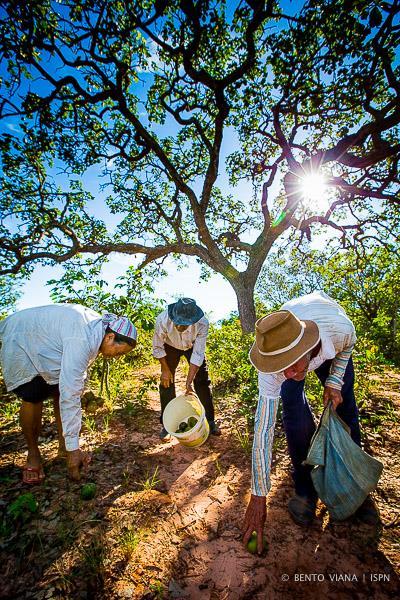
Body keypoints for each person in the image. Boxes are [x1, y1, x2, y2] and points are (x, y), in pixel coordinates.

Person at [242, 291, 380, 553]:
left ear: (307, 348)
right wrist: (258, 494)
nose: (286, 373)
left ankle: (355, 488)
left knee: (345, 410)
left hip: (329, 342)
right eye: (280, 366)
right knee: (294, 413)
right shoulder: (273, 368)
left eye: (292, 365)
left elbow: (350, 341)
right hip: (301, 337)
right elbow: (263, 430)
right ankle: (305, 489)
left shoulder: (338, 331)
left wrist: (334, 380)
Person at [0, 304, 137, 483]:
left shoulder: (97, 331)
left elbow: (74, 377)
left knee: (59, 391)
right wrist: (75, 451)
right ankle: (33, 454)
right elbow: (70, 395)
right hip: (21, 340)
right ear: (110, 337)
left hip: (45, 344)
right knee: (33, 395)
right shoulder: (82, 337)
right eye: (120, 352)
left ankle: (64, 447)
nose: (118, 357)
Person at [152, 298, 220, 438]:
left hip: (192, 346)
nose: (179, 327)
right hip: (170, 346)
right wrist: (165, 369)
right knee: (166, 382)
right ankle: (166, 425)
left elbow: (198, 354)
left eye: (185, 324)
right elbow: (157, 346)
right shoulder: (162, 319)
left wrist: (188, 382)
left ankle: (210, 420)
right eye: (178, 322)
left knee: (202, 381)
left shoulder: (202, 323)